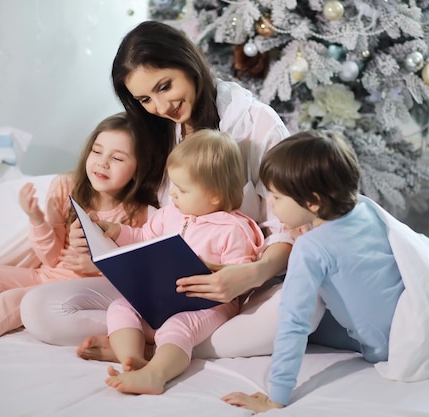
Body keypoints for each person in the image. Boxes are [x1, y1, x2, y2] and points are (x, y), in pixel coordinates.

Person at [20, 20, 294, 352]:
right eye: (146, 99)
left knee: (289, 311)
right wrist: (101, 235)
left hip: (236, 289)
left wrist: (250, 274)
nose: (162, 107)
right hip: (162, 286)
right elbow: (149, 225)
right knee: (38, 310)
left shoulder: (257, 123)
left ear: (187, 63)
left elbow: (287, 227)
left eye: (165, 86)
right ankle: (165, 342)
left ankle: (148, 340)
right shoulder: (158, 130)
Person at [222, 131, 429, 413]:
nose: (270, 204)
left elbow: (294, 325)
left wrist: (275, 398)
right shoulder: (364, 209)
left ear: (314, 203)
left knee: (280, 303)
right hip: (404, 321)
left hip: (381, 346)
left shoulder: (310, 249)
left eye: (277, 197)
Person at [0, 112, 152, 360]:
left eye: (117, 158)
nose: (102, 162)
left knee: (12, 300)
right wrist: (36, 219)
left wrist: (95, 265)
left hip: (74, 290)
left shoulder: (138, 213)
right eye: (97, 152)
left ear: (137, 168)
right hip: (45, 274)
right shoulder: (67, 187)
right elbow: (51, 257)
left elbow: (135, 274)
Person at [95, 129, 263, 394]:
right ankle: (131, 359)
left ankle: (156, 374)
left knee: (178, 325)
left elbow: (239, 276)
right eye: (173, 186)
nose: (173, 195)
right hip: (163, 295)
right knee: (120, 306)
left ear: (215, 196)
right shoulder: (170, 214)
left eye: (182, 189)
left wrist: (212, 271)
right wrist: (117, 232)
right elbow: (143, 237)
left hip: (207, 304)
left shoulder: (233, 229)